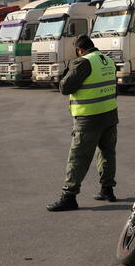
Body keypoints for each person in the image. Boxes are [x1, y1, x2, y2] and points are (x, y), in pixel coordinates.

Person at [46, 35, 119, 211]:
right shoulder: (108, 60)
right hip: (109, 114)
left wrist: (67, 72)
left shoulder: (83, 63)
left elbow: (65, 87)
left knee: (78, 158)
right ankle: (107, 190)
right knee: (107, 154)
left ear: (80, 50)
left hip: (89, 118)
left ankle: (69, 196)